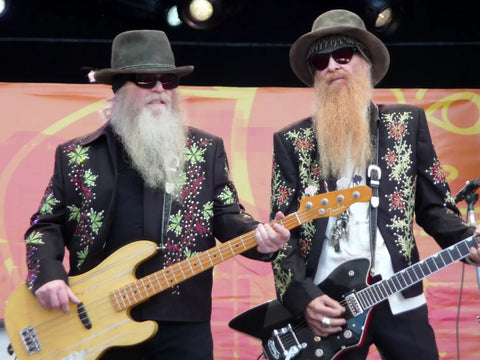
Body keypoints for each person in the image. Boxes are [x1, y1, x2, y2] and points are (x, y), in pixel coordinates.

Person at [24, 29, 290, 360]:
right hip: (97, 322)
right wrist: (48, 276)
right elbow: (44, 226)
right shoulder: (76, 156)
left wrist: (258, 238)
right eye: (146, 80)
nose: (160, 89)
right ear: (119, 88)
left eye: (168, 80)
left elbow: (226, 216)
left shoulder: (205, 150)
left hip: (183, 322)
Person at [269, 9, 480, 360]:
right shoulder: (292, 141)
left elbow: (434, 206)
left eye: (343, 55)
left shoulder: (407, 123)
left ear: (366, 63)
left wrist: (463, 240)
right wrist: (304, 301)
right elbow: (282, 234)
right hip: (329, 308)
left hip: (399, 296)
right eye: (321, 61)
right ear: (315, 76)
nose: (333, 66)